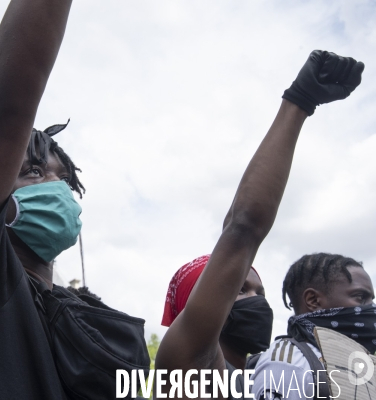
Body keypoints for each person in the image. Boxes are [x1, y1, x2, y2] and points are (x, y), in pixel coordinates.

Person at [0, 0, 147, 398]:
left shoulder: (93, 324)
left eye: (64, 179)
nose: (56, 186)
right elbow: (6, 99)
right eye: (34, 172)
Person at [154, 50, 364, 399]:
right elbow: (242, 229)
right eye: (241, 289)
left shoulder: (270, 378)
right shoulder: (190, 370)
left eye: (260, 293)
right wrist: (300, 101)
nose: (258, 302)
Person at [252, 253, 375, 400]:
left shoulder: (357, 362)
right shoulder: (288, 365)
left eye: (371, 300)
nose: (371, 308)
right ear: (313, 300)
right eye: (360, 297)